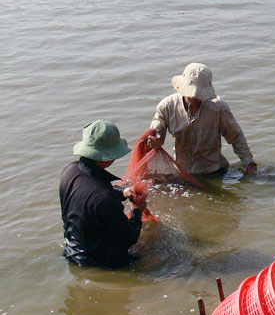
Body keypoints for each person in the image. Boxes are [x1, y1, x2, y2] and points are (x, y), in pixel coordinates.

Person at [60, 119, 147, 267]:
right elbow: (128, 239)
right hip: (100, 263)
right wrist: (137, 210)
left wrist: (123, 192)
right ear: (107, 158)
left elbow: (91, 194)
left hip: (72, 251)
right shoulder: (105, 199)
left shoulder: (69, 171)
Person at [147, 63, 257, 176]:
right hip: (183, 172)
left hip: (214, 171)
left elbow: (236, 137)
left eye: (197, 94)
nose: (193, 97)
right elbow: (154, 136)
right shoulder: (167, 106)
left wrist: (249, 163)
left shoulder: (218, 108)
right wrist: (156, 141)